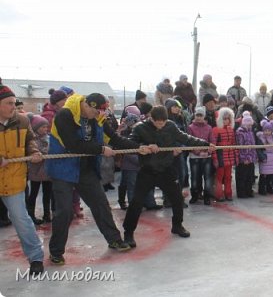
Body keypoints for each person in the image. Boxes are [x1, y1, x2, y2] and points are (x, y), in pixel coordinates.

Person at [45, 93, 148, 265]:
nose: (100, 115)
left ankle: (114, 239)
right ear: (87, 105)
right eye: (97, 111)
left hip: (86, 170)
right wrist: (100, 149)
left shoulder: (98, 118)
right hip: (63, 168)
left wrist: (139, 148)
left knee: (101, 204)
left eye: (103, 111)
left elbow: (114, 138)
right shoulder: (65, 114)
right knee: (64, 212)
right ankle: (56, 251)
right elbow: (72, 144)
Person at [123, 106, 214, 248]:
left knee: (177, 198)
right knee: (136, 202)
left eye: (163, 122)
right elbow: (129, 143)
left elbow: (186, 138)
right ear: (151, 118)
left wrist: (205, 144)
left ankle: (177, 225)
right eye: (158, 122)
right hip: (147, 170)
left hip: (166, 169)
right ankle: (128, 233)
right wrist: (143, 146)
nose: (161, 125)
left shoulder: (170, 126)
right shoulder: (140, 128)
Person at [0, 84, 45, 276]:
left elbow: (30, 141)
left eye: (14, 103)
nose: (14, 106)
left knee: (21, 219)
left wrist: (34, 152)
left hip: (14, 178)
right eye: (9, 103)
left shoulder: (22, 121)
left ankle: (36, 257)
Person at [26, 114, 54, 224]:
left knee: (47, 194)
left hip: (47, 171)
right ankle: (31, 215)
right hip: (36, 171)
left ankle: (47, 214)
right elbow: (37, 151)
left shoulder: (48, 137)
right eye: (43, 127)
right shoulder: (32, 140)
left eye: (46, 127)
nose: (45, 129)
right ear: (36, 128)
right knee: (34, 193)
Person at [187, 107, 214, 205]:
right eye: (197, 115)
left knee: (207, 177)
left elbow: (212, 141)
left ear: (204, 116)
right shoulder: (190, 127)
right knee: (195, 178)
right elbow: (189, 142)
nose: (198, 117)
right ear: (194, 115)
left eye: (200, 115)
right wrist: (198, 152)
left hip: (207, 157)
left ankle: (207, 196)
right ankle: (195, 195)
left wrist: (208, 152)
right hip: (194, 157)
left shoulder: (209, 128)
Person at [211, 107, 238, 201]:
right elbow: (213, 145)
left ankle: (228, 193)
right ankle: (219, 194)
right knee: (219, 177)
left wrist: (235, 157)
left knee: (228, 177)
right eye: (224, 118)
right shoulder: (215, 130)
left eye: (228, 118)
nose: (227, 120)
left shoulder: (231, 130)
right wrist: (215, 158)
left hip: (229, 157)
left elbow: (234, 144)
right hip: (220, 157)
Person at [235, 112, 257, 198]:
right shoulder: (240, 133)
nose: (250, 126)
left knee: (249, 176)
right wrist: (244, 158)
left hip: (250, 158)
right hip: (243, 159)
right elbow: (241, 147)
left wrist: (253, 157)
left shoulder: (250, 132)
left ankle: (248, 191)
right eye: (248, 125)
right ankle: (241, 192)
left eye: (251, 125)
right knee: (242, 176)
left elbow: (253, 145)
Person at [256, 119, 273, 195]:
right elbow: (259, 149)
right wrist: (262, 157)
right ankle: (262, 188)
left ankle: (269, 187)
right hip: (265, 157)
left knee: (271, 175)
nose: (267, 132)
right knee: (263, 175)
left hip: (272, 157)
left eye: (269, 130)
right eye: (265, 130)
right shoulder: (261, 138)